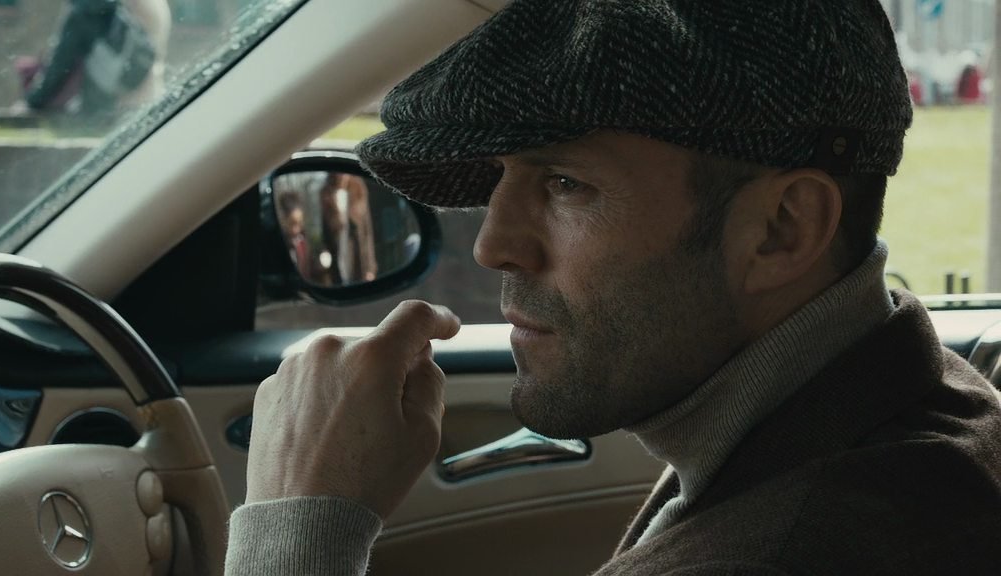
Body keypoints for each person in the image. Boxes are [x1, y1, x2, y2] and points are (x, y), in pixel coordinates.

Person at [226, 1, 1001, 575]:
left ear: (781, 229)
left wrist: (298, 534)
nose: (494, 244)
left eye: (566, 182)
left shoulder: (787, 550)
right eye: (500, 176)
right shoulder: (920, 402)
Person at [13, 0, 169, 115]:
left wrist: (32, 102)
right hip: (149, 96)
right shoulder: (147, 5)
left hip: (113, 105)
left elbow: (61, 63)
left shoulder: (88, 11)